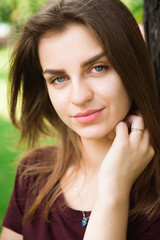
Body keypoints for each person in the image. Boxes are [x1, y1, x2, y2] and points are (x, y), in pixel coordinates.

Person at [1, 0, 160, 239]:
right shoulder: (33, 175)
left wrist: (113, 189)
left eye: (97, 68)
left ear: (132, 66)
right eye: (59, 78)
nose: (79, 97)